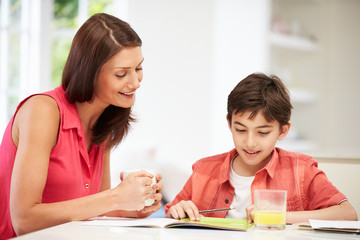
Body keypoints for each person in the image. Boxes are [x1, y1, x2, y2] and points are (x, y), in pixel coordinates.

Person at [0, 13, 163, 239]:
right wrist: (115, 197)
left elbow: (94, 205)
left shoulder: (103, 121)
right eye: (121, 73)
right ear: (90, 73)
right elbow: (24, 221)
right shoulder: (43, 111)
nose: (135, 82)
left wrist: (134, 205)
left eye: (138, 68)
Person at [164, 73, 358, 223]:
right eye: (240, 130)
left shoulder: (301, 170)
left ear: (283, 130)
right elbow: (172, 215)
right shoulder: (203, 170)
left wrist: (281, 217)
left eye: (262, 133)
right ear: (229, 123)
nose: (250, 143)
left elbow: (348, 214)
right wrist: (177, 211)